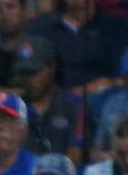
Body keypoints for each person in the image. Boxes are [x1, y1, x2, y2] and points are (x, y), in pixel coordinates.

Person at [27, 0, 128, 96]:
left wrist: (105, 84)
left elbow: (127, 76)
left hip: (103, 102)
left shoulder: (115, 28)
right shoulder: (41, 27)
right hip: (55, 105)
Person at [15, 38, 86, 166]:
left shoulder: (74, 105)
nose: (28, 80)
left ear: (51, 67)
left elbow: (75, 154)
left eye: (34, 72)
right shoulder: (15, 106)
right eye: (24, 73)